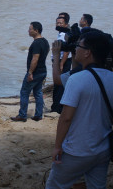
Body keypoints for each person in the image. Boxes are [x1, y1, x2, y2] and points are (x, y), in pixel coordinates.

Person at [46, 30, 113, 189]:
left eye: (79, 46)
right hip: (103, 149)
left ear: (88, 52)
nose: (76, 49)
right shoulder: (111, 78)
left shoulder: (77, 79)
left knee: (54, 185)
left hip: (77, 150)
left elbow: (66, 117)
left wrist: (57, 146)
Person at [12, 21, 50, 122]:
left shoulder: (36, 43)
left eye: (30, 29)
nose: (28, 31)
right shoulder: (45, 41)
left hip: (36, 72)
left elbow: (35, 59)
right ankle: (38, 115)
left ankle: (22, 115)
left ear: (36, 31)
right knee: (38, 92)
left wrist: (30, 73)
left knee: (24, 92)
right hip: (43, 71)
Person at [51, 15, 73, 114]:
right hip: (58, 61)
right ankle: (56, 107)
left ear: (66, 24)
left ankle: (57, 108)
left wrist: (61, 64)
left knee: (59, 85)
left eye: (61, 23)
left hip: (62, 62)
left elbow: (66, 51)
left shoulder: (65, 34)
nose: (58, 25)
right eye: (57, 23)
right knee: (58, 85)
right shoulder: (61, 34)